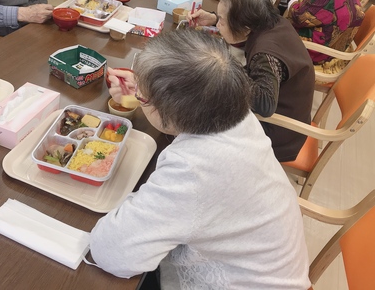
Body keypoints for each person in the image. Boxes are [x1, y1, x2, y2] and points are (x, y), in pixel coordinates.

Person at [90, 29, 310, 289]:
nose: (138, 94)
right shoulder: (233, 111)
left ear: (170, 109)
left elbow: (111, 253)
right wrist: (141, 95)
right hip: (275, 269)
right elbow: (180, 124)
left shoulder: (192, 171)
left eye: (142, 95)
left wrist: (146, 95)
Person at [188, 0, 314, 162]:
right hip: (291, 110)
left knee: (197, 108)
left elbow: (265, 104)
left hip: (276, 133)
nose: (219, 23)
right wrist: (216, 20)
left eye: (223, 19)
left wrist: (222, 66)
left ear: (245, 27)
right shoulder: (270, 21)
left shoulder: (266, 54)